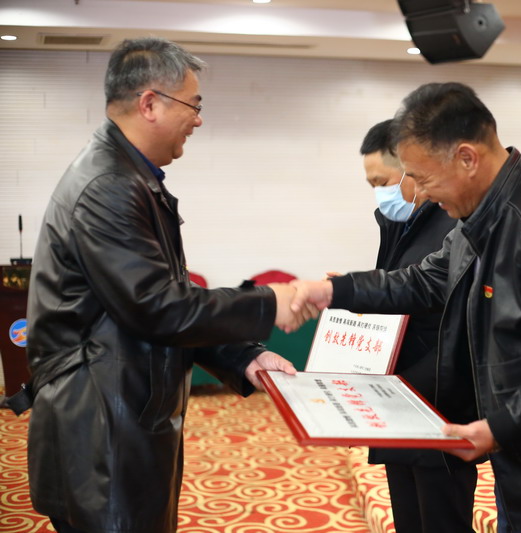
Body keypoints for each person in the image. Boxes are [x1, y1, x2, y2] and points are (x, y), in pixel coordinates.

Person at [292, 82, 521, 533]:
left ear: (467, 158)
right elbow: (424, 280)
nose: (423, 195)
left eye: (425, 179)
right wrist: (335, 291)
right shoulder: (481, 217)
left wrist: (501, 426)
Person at [21, 37, 313, 533]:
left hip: (121, 416)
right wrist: (269, 302)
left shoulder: (129, 177)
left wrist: (243, 356)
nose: (197, 120)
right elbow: (157, 307)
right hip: (102, 431)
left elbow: (161, 301)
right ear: (150, 103)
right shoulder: (109, 185)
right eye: (193, 106)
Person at [361, 119, 477, 532]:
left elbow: (457, 318)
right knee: (409, 517)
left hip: (438, 400)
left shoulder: (454, 224)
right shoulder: (399, 222)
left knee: (441, 518)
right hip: (398, 396)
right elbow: (396, 287)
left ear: (411, 169)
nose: (380, 193)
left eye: (382, 181)